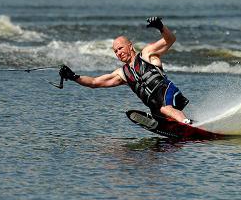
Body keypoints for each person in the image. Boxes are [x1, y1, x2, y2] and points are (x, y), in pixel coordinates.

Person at [59, 17, 192, 124]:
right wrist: (73, 76)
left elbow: (170, 40)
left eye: (120, 48)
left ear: (130, 46)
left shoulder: (147, 54)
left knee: (164, 108)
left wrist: (161, 27)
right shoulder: (122, 73)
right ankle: (181, 126)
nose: (118, 53)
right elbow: (94, 82)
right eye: (115, 51)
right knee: (159, 115)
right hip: (156, 107)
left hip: (168, 93)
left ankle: (187, 123)